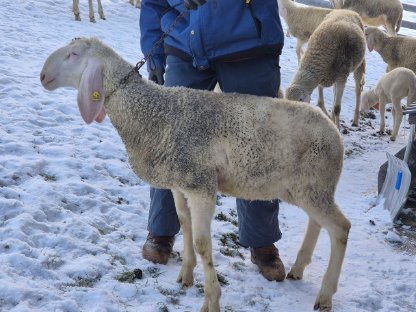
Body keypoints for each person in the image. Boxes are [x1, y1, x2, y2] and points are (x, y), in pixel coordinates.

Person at [139, 0, 286, 281]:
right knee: (171, 141)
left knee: (255, 144)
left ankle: (262, 241)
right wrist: (154, 51)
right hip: (185, 44)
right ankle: (161, 230)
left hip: (248, 45)